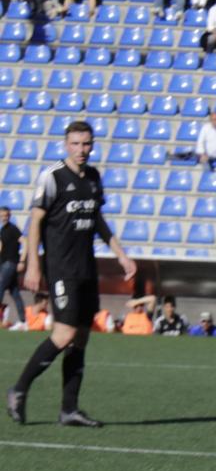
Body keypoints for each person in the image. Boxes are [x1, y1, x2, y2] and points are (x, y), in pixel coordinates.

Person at [7, 121, 138, 427]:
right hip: (61, 268)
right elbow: (35, 221)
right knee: (63, 333)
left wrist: (121, 254)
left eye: (86, 144)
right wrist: (34, 263)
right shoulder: (52, 177)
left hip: (86, 267)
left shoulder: (93, 177)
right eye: (76, 144)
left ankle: (69, 409)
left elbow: (98, 220)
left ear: (92, 145)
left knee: (80, 337)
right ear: (66, 145)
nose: (82, 150)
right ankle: (19, 389)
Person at [0, 205, 23, 327]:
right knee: (15, 293)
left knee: (0, 288)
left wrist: (22, 261)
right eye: (2, 215)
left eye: (6, 215)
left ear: (10, 216)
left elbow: (24, 241)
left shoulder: (13, 229)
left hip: (10, 263)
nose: (4, 217)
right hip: (5, 264)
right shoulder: (2, 230)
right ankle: (23, 321)